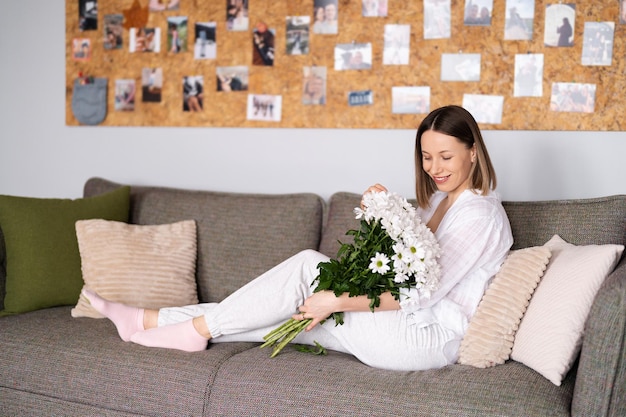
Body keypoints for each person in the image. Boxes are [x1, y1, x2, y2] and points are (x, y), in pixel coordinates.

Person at [82, 105, 513, 372]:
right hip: (397, 324)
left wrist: (337, 299)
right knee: (273, 314)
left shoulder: (480, 215)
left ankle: (186, 326)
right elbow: (399, 263)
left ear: (473, 151)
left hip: (426, 339)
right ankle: (150, 322)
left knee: (310, 266)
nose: (434, 166)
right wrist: (387, 214)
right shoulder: (438, 200)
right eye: (425, 156)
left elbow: (421, 290)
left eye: (445, 156)